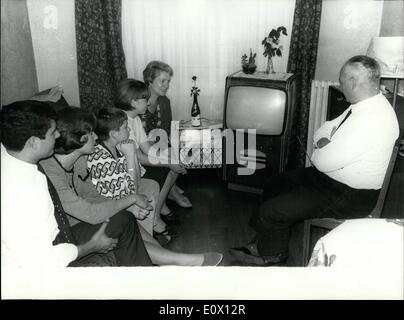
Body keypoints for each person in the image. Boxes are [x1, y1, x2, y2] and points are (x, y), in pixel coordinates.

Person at [230, 55, 400, 266]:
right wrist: (324, 142)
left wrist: (322, 146)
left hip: (348, 195)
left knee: (271, 211)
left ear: (353, 83)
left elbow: (321, 161)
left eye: (342, 80)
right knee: (275, 184)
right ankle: (267, 240)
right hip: (330, 181)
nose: (340, 85)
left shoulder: (373, 119)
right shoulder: (364, 104)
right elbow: (325, 128)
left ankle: (272, 255)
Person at [40, 107, 223, 266]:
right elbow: (89, 212)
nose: (96, 137)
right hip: (66, 231)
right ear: (79, 139)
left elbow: (92, 195)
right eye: (91, 133)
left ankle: (174, 261)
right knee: (123, 220)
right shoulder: (52, 172)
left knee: (127, 216)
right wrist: (131, 200)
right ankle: (182, 262)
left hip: (85, 215)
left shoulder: (79, 160)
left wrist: (131, 206)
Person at [0, 100, 131, 271]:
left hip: (58, 241)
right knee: (123, 220)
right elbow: (40, 261)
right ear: (33, 142)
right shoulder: (24, 191)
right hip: (36, 270)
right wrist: (91, 247)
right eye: (52, 132)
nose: (57, 136)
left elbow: (90, 194)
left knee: (124, 218)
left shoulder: (18, 159)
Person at [87, 107, 167, 243]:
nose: (129, 130)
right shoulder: (101, 158)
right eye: (125, 127)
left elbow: (136, 180)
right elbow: (132, 193)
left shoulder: (117, 146)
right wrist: (130, 155)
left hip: (123, 193)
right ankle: (142, 241)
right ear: (114, 134)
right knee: (144, 198)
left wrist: (131, 155)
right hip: (107, 203)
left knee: (151, 185)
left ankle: (145, 235)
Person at [115, 78, 187, 228]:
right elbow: (139, 157)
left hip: (135, 164)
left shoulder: (134, 118)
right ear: (134, 102)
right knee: (165, 170)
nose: (148, 103)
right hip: (126, 170)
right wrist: (168, 162)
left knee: (170, 164)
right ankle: (154, 219)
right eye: (145, 100)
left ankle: (159, 209)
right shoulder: (124, 122)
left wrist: (170, 158)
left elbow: (147, 148)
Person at [142, 60, 192, 209]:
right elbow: (141, 142)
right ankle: (173, 193)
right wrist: (165, 154)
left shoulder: (164, 102)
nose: (166, 85)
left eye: (168, 81)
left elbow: (166, 132)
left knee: (179, 153)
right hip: (142, 151)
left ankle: (171, 188)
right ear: (149, 80)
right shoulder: (139, 104)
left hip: (158, 145)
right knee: (172, 156)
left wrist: (171, 149)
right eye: (162, 81)